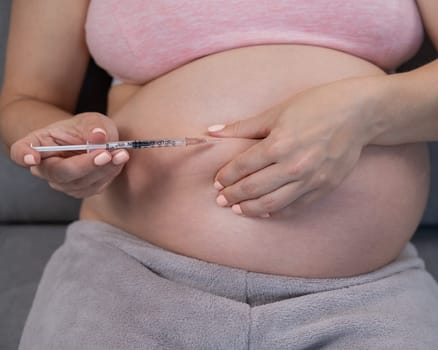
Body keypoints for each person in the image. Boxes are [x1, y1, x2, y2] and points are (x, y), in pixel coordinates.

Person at [1, 0, 438, 349]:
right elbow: (24, 100)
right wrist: (56, 143)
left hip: (367, 297)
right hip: (127, 279)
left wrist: (363, 112)